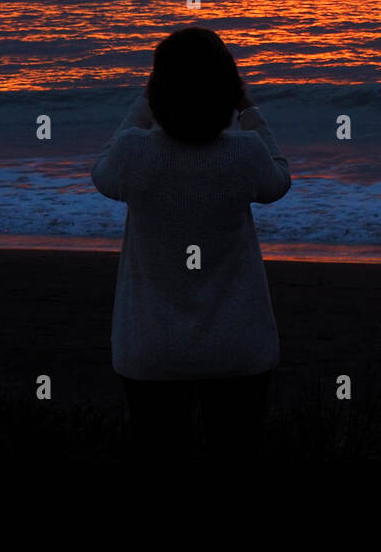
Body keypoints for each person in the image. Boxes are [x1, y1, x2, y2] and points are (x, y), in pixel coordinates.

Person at [91, 26, 290, 464]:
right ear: (227, 90)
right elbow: (279, 178)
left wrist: (144, 102)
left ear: (158, 89)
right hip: (239, 345)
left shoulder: (132, 154)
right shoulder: (246, 153)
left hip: (150, 345)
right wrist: (249, 107)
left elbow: (102, 170)